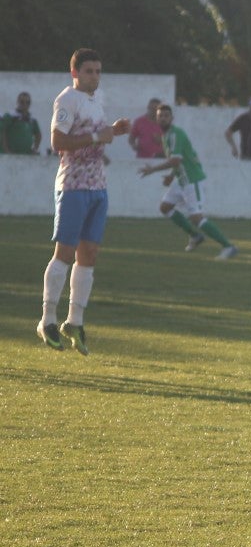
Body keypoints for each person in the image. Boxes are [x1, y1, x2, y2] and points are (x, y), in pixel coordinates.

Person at [37, 48, 130, 355]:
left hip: (97, 186)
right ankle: (47, 320)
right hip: (73, 185)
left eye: (98, 71)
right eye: (89, 71)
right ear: (75, 72)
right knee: (64, 252)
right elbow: (58, 141)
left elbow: (97, 135)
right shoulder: (67, 99)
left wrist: (113, 131)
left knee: (89, 254)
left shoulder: (96, 99)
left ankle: (74, 321)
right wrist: (97, 137)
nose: (95, 77)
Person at [138, 104, 239, 259]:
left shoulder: (176, 134)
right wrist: (171, 175)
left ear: (172, 118)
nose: (163, 118)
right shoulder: (166, 136)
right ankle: (195, 236)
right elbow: (181, 159)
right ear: (156, 119)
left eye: (166, 115)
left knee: (196, 218)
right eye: (160, 116)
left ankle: (228, 246)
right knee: (165, 207)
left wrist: (152, 169)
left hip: (192, 180)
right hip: (181, 180)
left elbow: (176, 160)